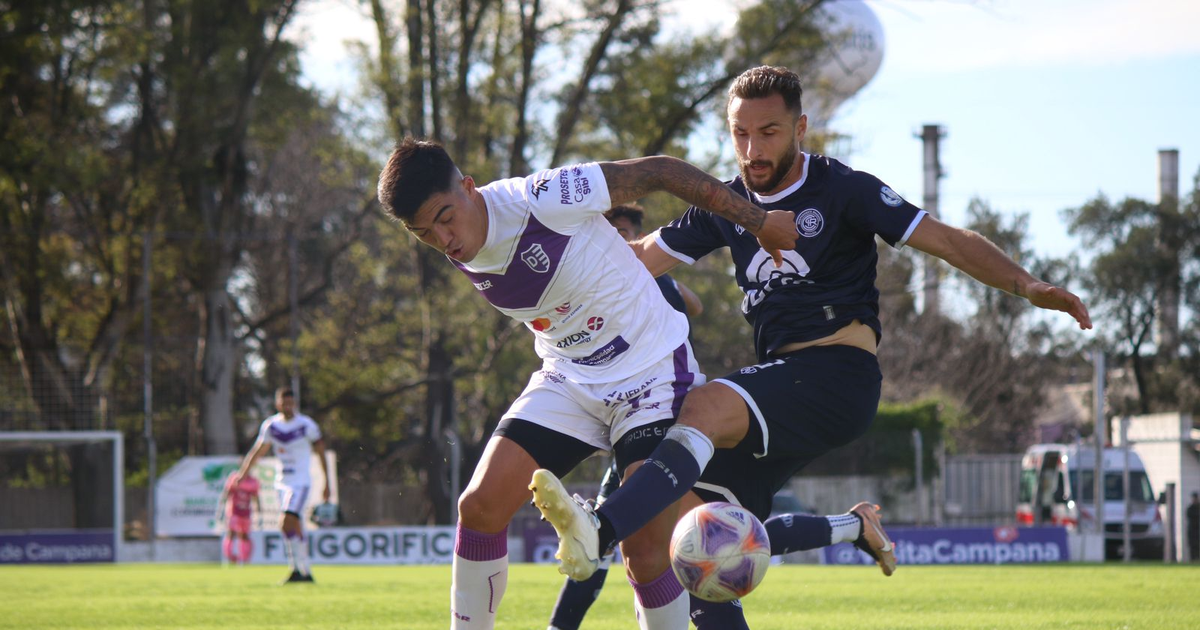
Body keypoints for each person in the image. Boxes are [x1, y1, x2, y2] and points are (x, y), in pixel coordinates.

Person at [531, 65, 1093, 629]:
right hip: (781, 387)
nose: (752, 148)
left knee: (699, 409)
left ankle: (599, 530)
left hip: (836, 377)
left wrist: (1026, 285)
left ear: (800, 127)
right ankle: (852, 528)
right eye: (740, 133)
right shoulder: (725, 206)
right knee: (698, 540)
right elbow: (641, 256)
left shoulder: (844, 189)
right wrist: (546, 271)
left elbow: (945, 239)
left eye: (769, 132)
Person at [375, 138, 796, 630]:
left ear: (469, 188)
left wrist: (759, 221)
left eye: (445, 217)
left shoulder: (543, 198)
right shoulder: (453, 239)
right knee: (479, 506)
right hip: (569, 377)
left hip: (651, 371)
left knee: (643, 548)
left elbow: (659, 170)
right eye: (423, 232)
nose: (443, 238)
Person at [546, 205, 703, 630]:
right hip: (634, 421)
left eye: (625, 232)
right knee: (622, 538)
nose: (616, 238)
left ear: (637, 236)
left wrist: (662, 273)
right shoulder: (599, 278)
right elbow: (696, 304)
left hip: (665, 418)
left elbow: (694, 304)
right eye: (609, 230)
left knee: (617, 537)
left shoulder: (651, 280)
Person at [234, 386, 332, 584]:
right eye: (283, 402)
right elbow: (258, 450)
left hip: (301, 482)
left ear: (294, 403)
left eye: (290, 402)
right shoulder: (271, 425)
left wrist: (326, 481)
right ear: (277, 403)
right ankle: (304, 571)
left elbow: (321, 451)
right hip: (282, 482)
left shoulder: (306, 425)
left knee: (285, 522)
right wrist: (243, 473)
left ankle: (296, 568)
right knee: (296, 526)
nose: (287, 406)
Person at [216, 470, 261, 566]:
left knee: (244, 536)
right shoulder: (234, 477)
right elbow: (227, 493)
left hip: (246, 513)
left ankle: (244, 559)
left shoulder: (253, 481)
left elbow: (256, 497)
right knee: (231, 534)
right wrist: (221, 509)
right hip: (234, 512)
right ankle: (229, 558)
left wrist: (259, 510)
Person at [1187, 492, 1199, 562]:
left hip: (1198, 530)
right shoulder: (1190, 508)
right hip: (1192, 530)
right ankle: (1193, 559)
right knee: (1192, 546)